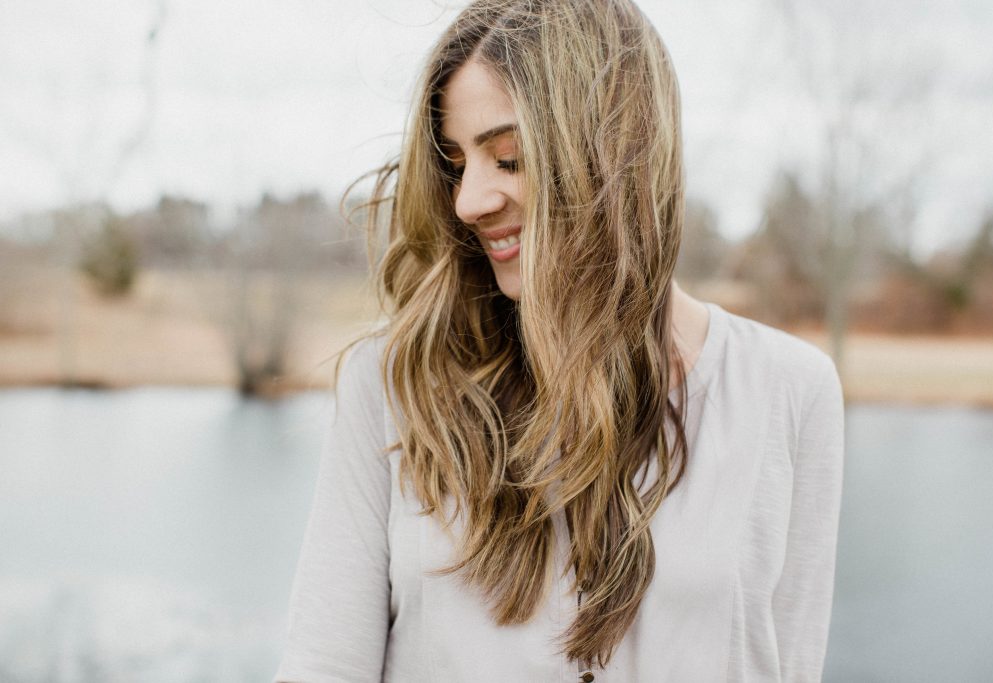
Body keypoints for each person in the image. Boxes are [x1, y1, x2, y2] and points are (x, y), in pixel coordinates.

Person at [275, 0, 844, 681]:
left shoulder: (790, 391)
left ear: (613, 149)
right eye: (457, 164)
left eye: (507, 157)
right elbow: (322, 665)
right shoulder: (393, 382)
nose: (468, 200)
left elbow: (788, 665)